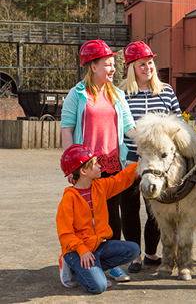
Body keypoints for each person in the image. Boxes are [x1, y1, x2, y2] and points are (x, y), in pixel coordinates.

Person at [60, 39, 136, 282]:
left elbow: (129, 127)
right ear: (93, 67)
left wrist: (149, 141)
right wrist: (72, 164)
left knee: (113, 216)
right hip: (87, 167)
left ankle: (110, 264)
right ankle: (74, 258)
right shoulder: (77, 95)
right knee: (84, 217)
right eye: (108, 64)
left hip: (112, 164)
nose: (113, 68)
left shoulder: (118, 95)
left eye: (114, 64)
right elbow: (66, 129)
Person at [118, 41, 181, 273]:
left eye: (150, 63)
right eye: (142, 64)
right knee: (129, 209)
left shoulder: (166, 92)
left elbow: (178, 123)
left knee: (158, 209)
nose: (148, 68)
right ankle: (135, 255)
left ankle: (152, 252)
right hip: (130, 162)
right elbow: (119, 125)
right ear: (131, 68)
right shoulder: (122, 94)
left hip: (156, 166)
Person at [56, 144, 140, 294]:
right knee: (98, 287)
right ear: (83, 171)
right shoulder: (69, 198)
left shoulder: (100, 186)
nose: (100, 166)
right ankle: (71, 266)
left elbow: (122, 179)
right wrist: (82, 251)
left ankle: (92, 268)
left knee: (133, 250)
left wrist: (142, 163)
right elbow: (65, 234)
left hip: (97, 247)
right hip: (76, 251)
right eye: (95, 163)